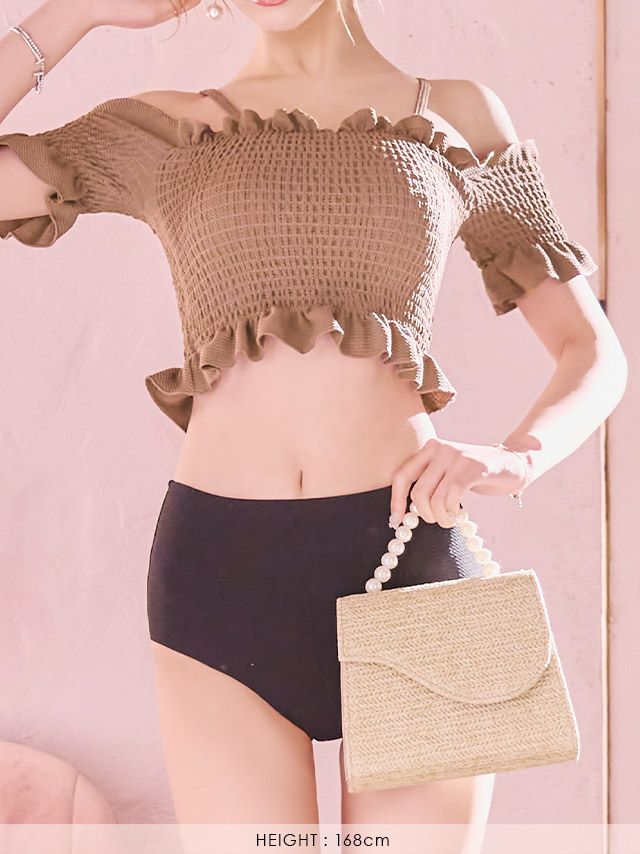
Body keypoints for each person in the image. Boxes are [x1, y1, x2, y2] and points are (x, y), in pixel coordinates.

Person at [0, 0, 627, 848]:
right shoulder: (163, 129)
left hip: (409, 558)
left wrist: (518, 457)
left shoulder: (454, 114)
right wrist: (76, 14)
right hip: (220, 576)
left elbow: (592, 352)